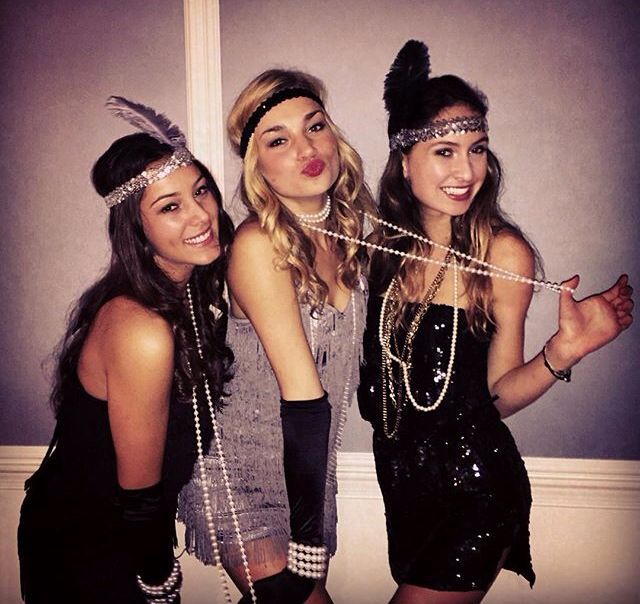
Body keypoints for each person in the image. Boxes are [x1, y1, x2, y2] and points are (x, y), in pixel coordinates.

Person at [357, 40, 634, 604]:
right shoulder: (379, 250)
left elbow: (499, 397)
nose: (467, 171)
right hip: (404, 491)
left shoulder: (501, 255)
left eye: (477, 149)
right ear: (404, 160)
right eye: (445, 151)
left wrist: (566, 350)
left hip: (477, 489)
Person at [17, 97, 234, 603]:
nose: (201, 214)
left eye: (200, 191)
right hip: (86, 548)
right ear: (137, 231)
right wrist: (158, 581)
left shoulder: (192, 296)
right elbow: (139, 498)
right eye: (170, 207)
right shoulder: (141, 328)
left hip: (116, 538)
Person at [178, 69, 375, 603]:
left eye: (315, 126)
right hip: (245, 478)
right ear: (256, 164)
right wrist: (308, 536)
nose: (306, 148)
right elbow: (305, 397)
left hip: (310, 474)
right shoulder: (258, 246)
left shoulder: (353, 234)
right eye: (278, 139)